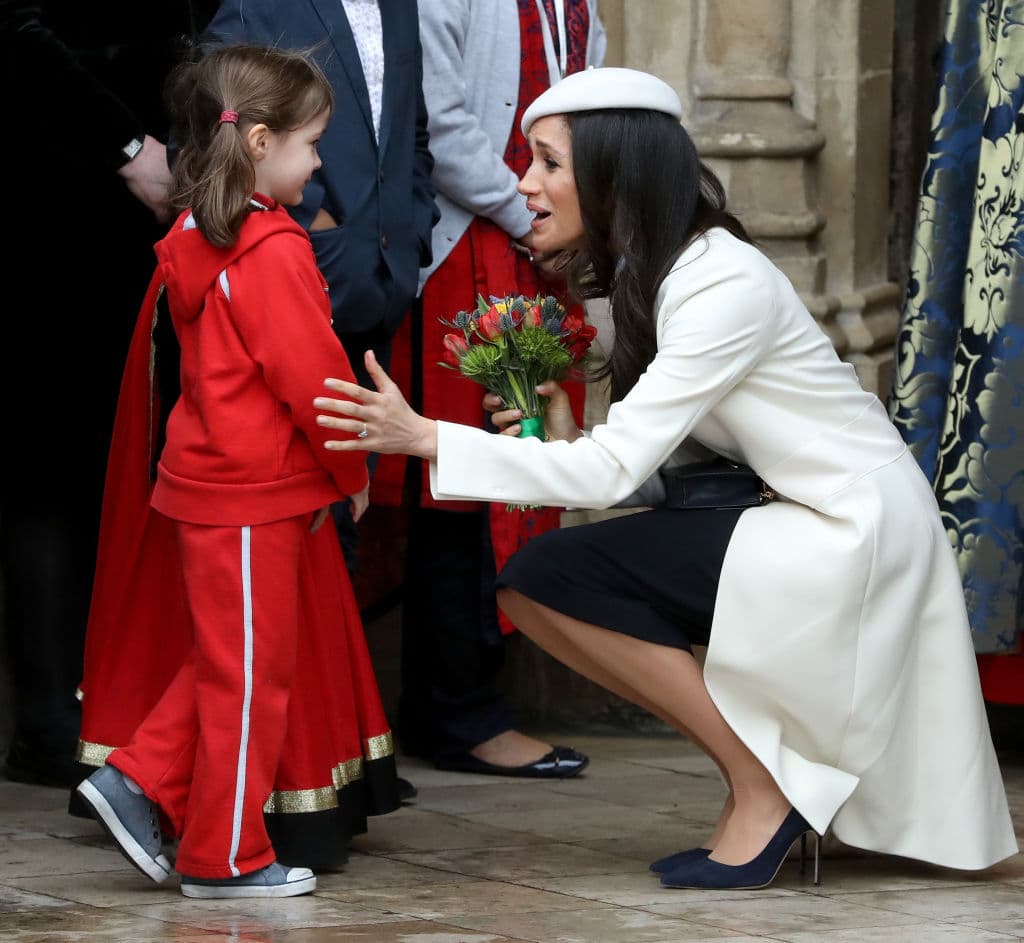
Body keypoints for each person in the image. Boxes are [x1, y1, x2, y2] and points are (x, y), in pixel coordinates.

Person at [312, 67, 1019, 889]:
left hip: (848, 532)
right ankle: (765, 783)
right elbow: (656, 471)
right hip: (805, 518)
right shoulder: (673, 270)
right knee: (543, 580)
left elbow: (613, 473)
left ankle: (763, 786)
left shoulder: (719, 283)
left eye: (548, 163)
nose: (525, 183)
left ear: (614, 178)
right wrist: (571, 436)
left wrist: (427, 436)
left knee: (547, 577)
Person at [75, 42, 399, 898]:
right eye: (312, 144)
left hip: (221, 492)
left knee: (231, 663)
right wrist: (350, 470)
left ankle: (136, 777)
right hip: (251, 496)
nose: (319, 163)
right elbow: (315, 381)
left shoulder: (199, 232)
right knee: (249, 677)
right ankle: (224, 856)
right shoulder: (270, 248)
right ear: (259, 141)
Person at [199, 0, 440, 802]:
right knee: (285, 590)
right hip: (318, 264)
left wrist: (412, 226)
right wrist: (316, 220)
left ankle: (333, 760)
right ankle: (289, 782)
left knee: (334, 556)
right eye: (302, 146)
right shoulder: (268, 250)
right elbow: (211, 105)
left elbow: (408, 128)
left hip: (380, 275)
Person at [368, 0, 604, 777]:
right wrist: (528, 215)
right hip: (468, 251)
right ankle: (456, 711)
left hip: (536, 251)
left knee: (522, 468)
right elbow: (440, 125)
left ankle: (458, 701)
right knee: (460, 486)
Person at [0, 0, 218, 789]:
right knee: (52, 463)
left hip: (158, 184)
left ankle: (111, 706)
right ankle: (49, 719)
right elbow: (17, 29)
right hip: (62, 190)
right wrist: (126, 143)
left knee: (126, 455)